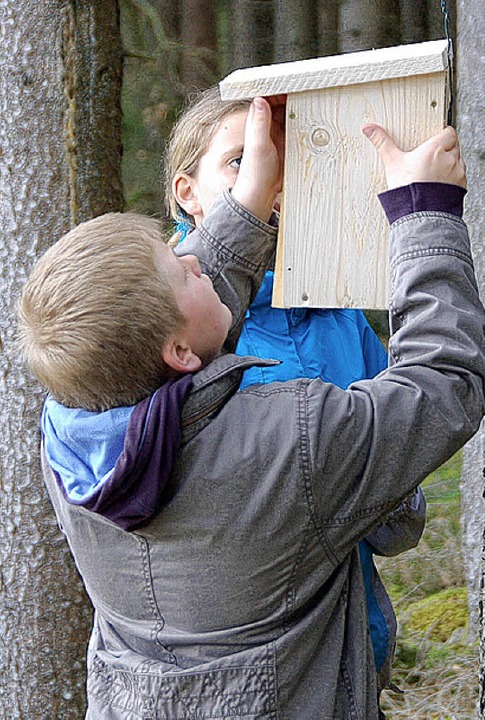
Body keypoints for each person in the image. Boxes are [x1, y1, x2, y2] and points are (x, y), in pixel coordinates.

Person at [17, 97, 485, 719]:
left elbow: (165, 321)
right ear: (180, 352)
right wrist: (422, 212)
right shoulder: (287, 442)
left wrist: (246, 202)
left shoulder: (69, 435)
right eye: (180, 271)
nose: (193, 257)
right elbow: (444, 381)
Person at [164, 87, 428, 700]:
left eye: (286, 159)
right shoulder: (171, 335)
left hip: (352, 653)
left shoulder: (337, 316)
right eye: (243, 159)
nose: (272, 174)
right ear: (187, 192)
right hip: (236, 684)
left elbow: (399, 523)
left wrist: (378, 487)